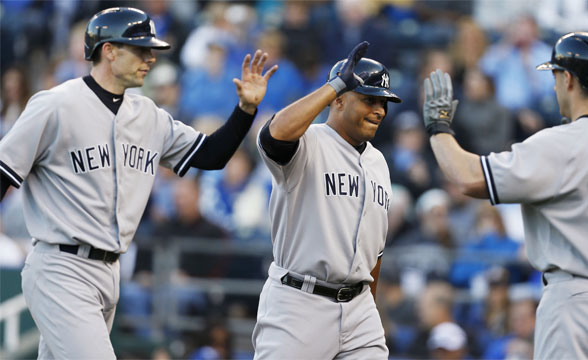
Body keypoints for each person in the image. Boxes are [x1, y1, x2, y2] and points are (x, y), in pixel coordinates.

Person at [0, 7, 277, 359]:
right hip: (61, 267)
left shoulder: (149, 116)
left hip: (110, 273)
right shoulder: (55, 104)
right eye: (140, 49)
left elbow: (211, 156)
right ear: (109, 51)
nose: (150, 58)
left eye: (152, 50)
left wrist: (245, 110)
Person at [423, 31, 588, 359]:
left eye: (555, 75)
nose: (554, 86)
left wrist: (439, 128)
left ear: (568, 78)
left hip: (580, 301)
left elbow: (467, 178)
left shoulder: (558, 143)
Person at [252, 41, 401, 359]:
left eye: (384, 103)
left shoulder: (379, 163)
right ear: (338, 101)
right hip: (299, 303)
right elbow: (272, 135)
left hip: (359, 309)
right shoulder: (307, 143)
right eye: (369, 100)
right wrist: (333, 86)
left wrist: (369, 308)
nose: (379, 110)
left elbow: (375, 253)